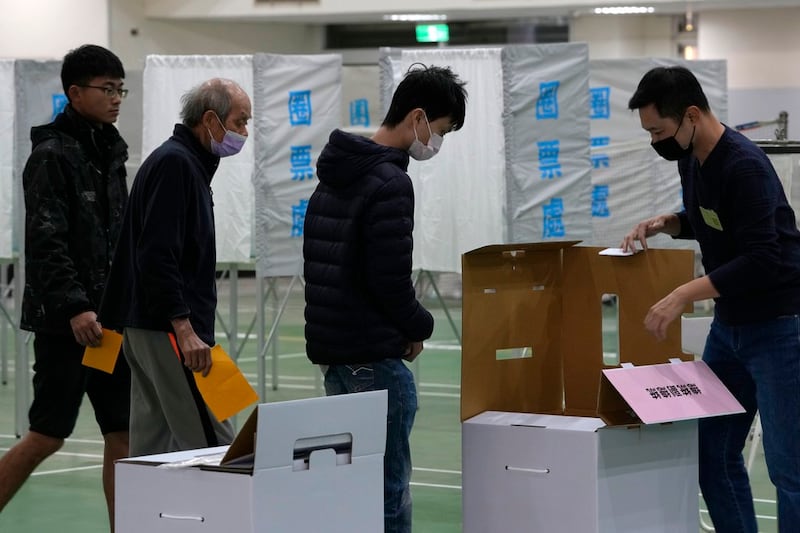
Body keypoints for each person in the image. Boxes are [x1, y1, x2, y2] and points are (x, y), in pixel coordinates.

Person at [621, 66, 800, 532]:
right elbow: (711, 219)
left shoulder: (744, 165)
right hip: (731, 328)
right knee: (712, 455)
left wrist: (683, 293)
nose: (655, 141)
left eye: (658, 131)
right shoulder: (691, 158)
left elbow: (763, 258)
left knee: (789, 468)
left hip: (780, 327)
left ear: (692, 116)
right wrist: (669, 224)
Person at [303, 64, 467, 533]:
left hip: (337, 356)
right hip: (373, 358)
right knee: (387, 490)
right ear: (416, 118)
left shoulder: (336, 172)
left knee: (352, 488)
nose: (436, 143)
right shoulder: (390, 182)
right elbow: (388, 279)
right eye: (439, 131)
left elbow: (324, 261)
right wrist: (419, 326)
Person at [0, 44, 130, 530]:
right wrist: (76, 307)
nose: (116, 98)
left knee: (122, 430)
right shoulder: (52, 155)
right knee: (48, 434)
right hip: (68, 326)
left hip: (109, 323)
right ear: (75, 93)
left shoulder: (111, 149)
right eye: (107, 89)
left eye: (121, 89)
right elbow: (46, 241)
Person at [98, 78, 251, 456]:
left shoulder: (187, 163)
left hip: (157, 327)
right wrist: (183, 327)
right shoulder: (175, 164)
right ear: (211, 120)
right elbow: (156, 253)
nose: (244, 132)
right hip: (171, 330)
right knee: (219, 447)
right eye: (239, 122)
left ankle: (149, 515)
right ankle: (222, 516)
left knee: (154, 447)